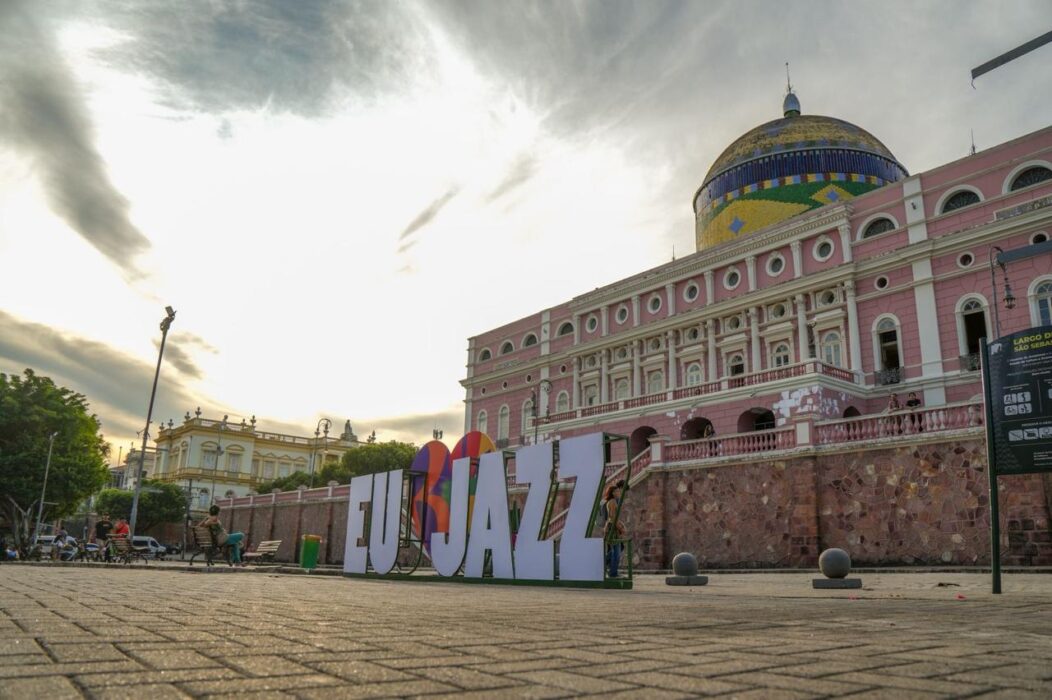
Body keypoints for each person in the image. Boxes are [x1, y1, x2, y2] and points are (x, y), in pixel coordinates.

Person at [603, 480, 627, 578]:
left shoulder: (612, 501)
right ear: (612, 493)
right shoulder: (612, 502)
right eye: (617, 491)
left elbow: (614, 517)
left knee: (617, 549)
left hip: (612, 527)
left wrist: (622, 525)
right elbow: (612, 518)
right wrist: (621, 528)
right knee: (616, 552)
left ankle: (603, 565)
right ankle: (613, 573)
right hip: (612, 528)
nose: (618, 493)